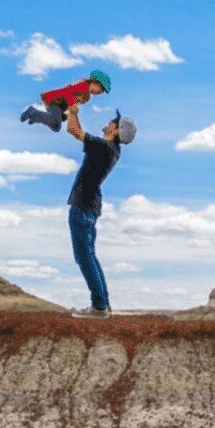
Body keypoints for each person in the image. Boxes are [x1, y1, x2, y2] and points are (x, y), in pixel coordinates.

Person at [64, 101, 137, 318]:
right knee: (89, 256)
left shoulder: (104, 147)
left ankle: (99, 307)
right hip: (90, 206)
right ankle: (102, 303)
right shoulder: (111, 149)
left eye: (112, 122)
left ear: (116, 130)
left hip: (83, 206)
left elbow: (73, 130)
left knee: (84, 256)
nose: (108, 122)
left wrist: (73, 110)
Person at [20, 69, 112, 132]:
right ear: (95, 83)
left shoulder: (86, 97)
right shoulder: (83, 85)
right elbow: (68, 92)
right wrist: (72, 105)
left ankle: (35, 117)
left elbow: (71, 104)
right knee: (55, 121)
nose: (100, 92)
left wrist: (68, 113)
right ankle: (32, 112)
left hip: (60, 106)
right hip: (55, 100)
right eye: (101, 89)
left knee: (56, 127)